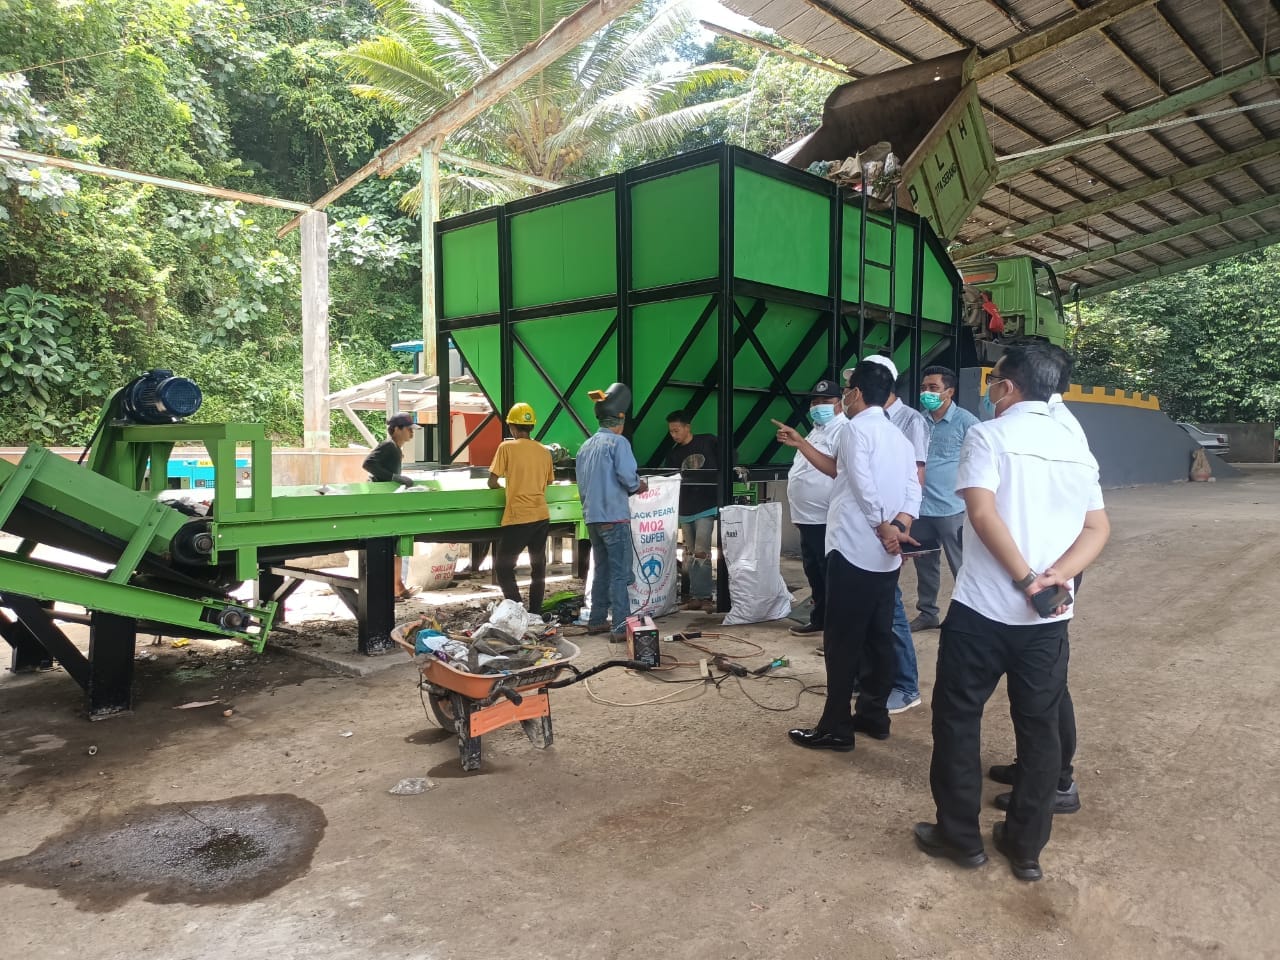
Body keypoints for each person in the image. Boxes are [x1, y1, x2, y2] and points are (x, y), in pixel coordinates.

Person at [914, 344, 1109, 882]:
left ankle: (959, 837)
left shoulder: (989, 435)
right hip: (1048, 619)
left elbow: (979, 511)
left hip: (982, 610)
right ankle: (1025, 847)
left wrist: (1025, 577)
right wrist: (1055, 578)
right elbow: (1098, 529)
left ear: (1009, 387)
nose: (991, 388)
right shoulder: (1076, 447)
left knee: (957, 718)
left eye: (994, 381)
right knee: (1040, 728)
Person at [777, 361, 920, 752]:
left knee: (842, 642)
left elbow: (861, 484)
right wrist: (900, 527)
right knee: (879, 637)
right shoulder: (897, 436)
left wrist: (881, 526)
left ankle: (835, 728)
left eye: (846, 391)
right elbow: (910, 488)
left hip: (855, 548)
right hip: (885, 555)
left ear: (855, 393)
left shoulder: (856, 430)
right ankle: (874, 715)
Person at [988, 344, 1087, 816]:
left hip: (1047, 574)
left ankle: (1057, 780)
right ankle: (1035, 766)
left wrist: (1043, 577)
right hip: (1048, 570)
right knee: (1039, 684)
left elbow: (1088, 518)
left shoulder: (1059, 428)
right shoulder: (1052, 421)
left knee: (1047, 686)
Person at [863, 354, 928, 715]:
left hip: (890, 531)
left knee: (891, 609)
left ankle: (906, 685)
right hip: (866, 533)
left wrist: (901, 530)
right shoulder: (862, 422)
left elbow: (915, 481)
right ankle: (875, 678)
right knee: (872, 610)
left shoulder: (909, 421)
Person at [910, 365, 980, 632]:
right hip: (920, 507)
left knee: (961, 564)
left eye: (933, 388)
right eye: (924, 387)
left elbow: (980, 462)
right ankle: (928, 613)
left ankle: (968, 616)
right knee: (924, 562)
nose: (926, 392)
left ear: (949, 392)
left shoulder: (967, 422)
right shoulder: (917, 420)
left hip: (952, 508)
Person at [576, 384, 647, 639]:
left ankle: (596, 620)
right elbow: (628, 479)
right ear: (621, 418)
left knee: (602, 569)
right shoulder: (618, 443)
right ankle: (619, 627)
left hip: (592, 519)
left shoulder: (585, 447)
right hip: (614, 519)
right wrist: (641, 485)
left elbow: (582, 486)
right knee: (619, 574)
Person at [784, 378, 844, 637]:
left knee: (828, 572)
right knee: (813, 571)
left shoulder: (843, 430)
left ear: (839, 404)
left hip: (825, 517)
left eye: (826, 401)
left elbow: (836, 469)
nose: (819, 406)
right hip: (806, 517)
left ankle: (834, 626)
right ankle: (819, 618)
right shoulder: (816, 430)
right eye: (815, 402)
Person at [488, 402, 555, 616]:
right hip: (541, 516)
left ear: (512, 428)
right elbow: (549, 483)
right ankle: (535, 612)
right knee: (538, 567)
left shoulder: (506, 448)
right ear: (531, 427)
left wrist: (506, 486)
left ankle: (518, 610)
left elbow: (492, 481)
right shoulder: (544, 451)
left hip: (518, 516)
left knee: (503, 567)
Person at [665, 410, 720, 611]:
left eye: (676, 430)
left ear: (687, 427)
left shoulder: (708, 442)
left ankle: (705, 596)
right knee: (689, 553)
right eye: (671, 431)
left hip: (706, 505)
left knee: (701, 551)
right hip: (686, 508)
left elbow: (729, 458)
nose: (673, 435)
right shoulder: (673, 454)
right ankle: (696, 595)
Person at [362, 412, 420, 599]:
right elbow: (368, 463)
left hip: (387, 499)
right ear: (396, 429)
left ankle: (397, 586)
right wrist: (394, 478)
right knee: (391, 544)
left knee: (396, 545)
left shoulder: (396, 449)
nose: (412, 433)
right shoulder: (388, 446)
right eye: (409, 429)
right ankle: (394, 586)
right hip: (381, 500)